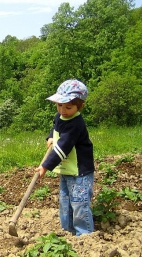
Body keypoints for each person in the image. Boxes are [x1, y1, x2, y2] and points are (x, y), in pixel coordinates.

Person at [36, 79, 95, 236]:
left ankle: (85, 235)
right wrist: (50, 137)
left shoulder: (75, 124)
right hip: (67, 169)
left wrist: (46, 166)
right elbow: (56, 126)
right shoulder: (60, 116)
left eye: (68, 107)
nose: (63, 110)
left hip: (80, 172)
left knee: (79, 203)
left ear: (79, 106)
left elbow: (63, 148)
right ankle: (68, 232)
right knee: (65, 201)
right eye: (59, 105)